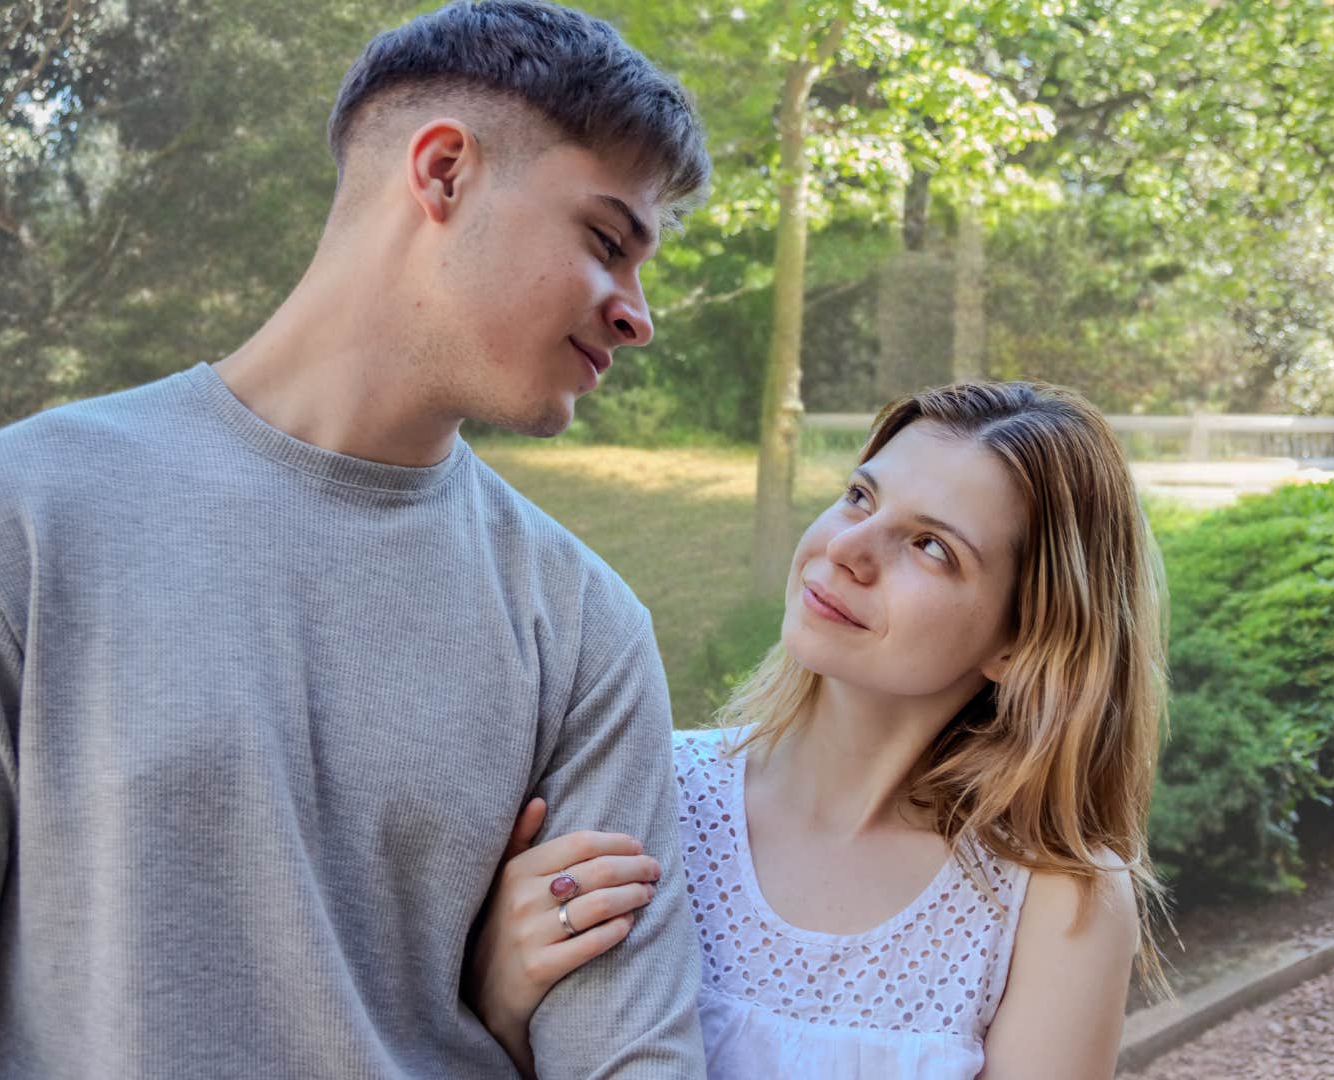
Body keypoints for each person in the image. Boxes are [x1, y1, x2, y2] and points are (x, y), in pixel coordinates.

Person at [0, 2, 713, 1076]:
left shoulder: (584, 624)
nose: (638, 312)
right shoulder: (8, 523)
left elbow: (631, 1058)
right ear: (445, 171)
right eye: (605, 241)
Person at [467, 382, 1170, 1079]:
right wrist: (496, 1001)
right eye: (859, 497)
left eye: (930, 546)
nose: (847, 549)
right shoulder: (647, 785)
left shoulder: (1057, 899)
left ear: (1021, 641)